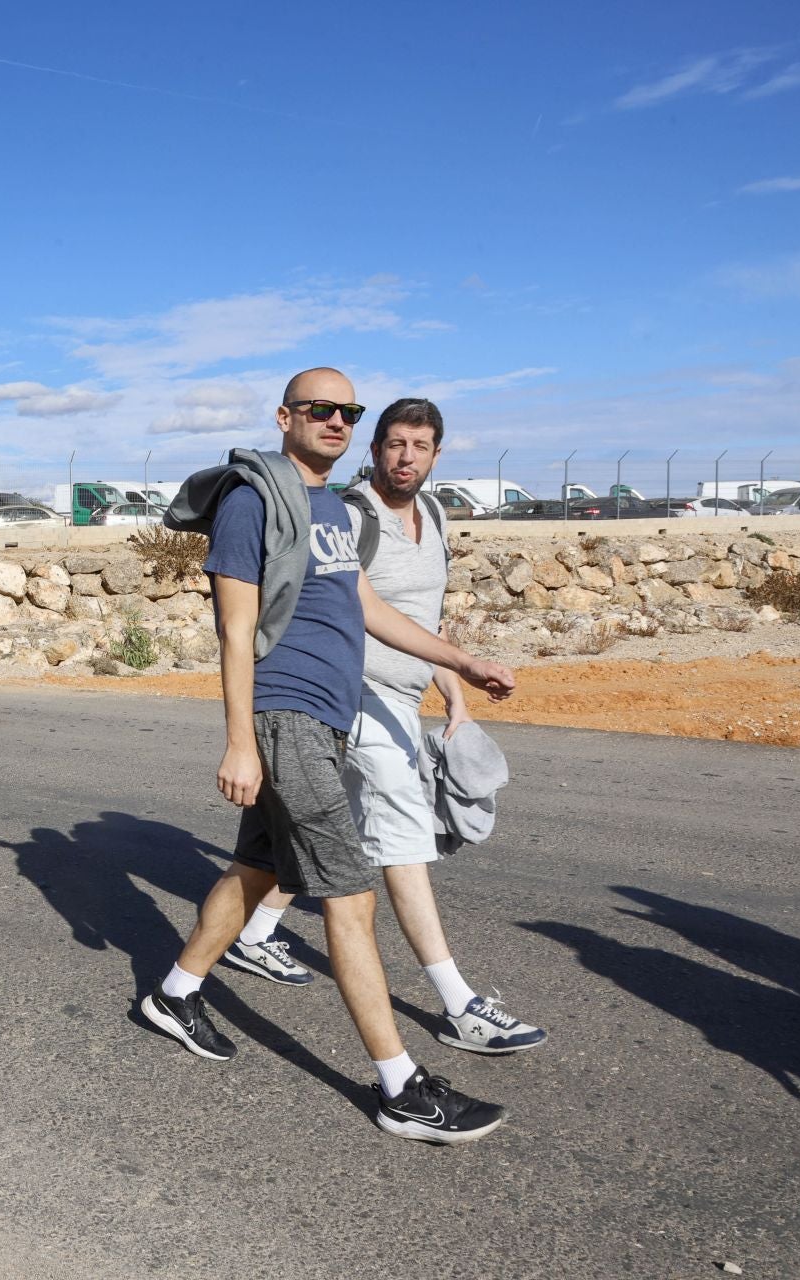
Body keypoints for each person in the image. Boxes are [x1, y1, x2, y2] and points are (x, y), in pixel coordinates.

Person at [147, 367, 518, 1145]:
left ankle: (176, 993)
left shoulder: (328, 509)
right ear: (285, 416)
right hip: (285, 718)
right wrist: (241, 740)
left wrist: (462, 662)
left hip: (327, 718)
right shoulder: (254, 501)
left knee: (262, 871)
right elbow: (235, 630)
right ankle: (402, 1087)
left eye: (348, 411)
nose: (337, 422)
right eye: (320, 409)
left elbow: (368, 606)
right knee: (351, 898)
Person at [220, 398, 547, 1054]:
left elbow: (424, 617)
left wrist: (454, 691)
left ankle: (243, 941)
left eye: (419, 445)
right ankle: (459, 1006)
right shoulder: (353, 515)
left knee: (313, 831)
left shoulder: (433, 514)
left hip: (402, 697)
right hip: (352, 695)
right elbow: (351, 611)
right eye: (394, 443)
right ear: (374, 450)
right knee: (401, 837)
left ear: (436, 453)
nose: (405, 456)